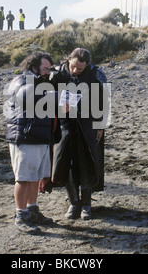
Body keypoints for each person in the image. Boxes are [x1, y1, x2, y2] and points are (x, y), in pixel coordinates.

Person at [51, 48, 109, 220]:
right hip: (64, 125)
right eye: (73, 66)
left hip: (87, 124)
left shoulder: (96, 75)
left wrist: (100, 126)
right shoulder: (57, 75)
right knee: (65, 163)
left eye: (80, 69)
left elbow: (104, 102)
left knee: (87, 162)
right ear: (68, 59)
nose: (75, 71)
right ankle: (73, 203)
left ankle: (86, 205)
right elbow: (46, 98)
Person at [5, 52, 57, 233]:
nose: (47, 73)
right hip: (26, 137)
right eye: (45, 69)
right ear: (34, 67)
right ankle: (21, 215)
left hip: (38, 137)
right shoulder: (22, 81)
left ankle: (32, 210)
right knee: (24, 177)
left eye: (49, 70)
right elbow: (29, 98)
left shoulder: (40, 83)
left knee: (34, 177)